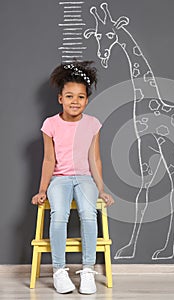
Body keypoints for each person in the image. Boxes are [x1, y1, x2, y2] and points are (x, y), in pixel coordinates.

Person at [32, 61, 114, 294]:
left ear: (86, 100)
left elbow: (95, 160)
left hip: (85, 178)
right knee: (59, 214)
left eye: (80, 97)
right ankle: (59, 270)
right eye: (69, 96)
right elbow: (49, 160)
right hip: (59, 179)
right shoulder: (50, 124)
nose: (74, 102)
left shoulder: (92, 124)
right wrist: (42, 189)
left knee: (89, 214)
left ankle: (87, 270)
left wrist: (101, 188)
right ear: (60, 99)